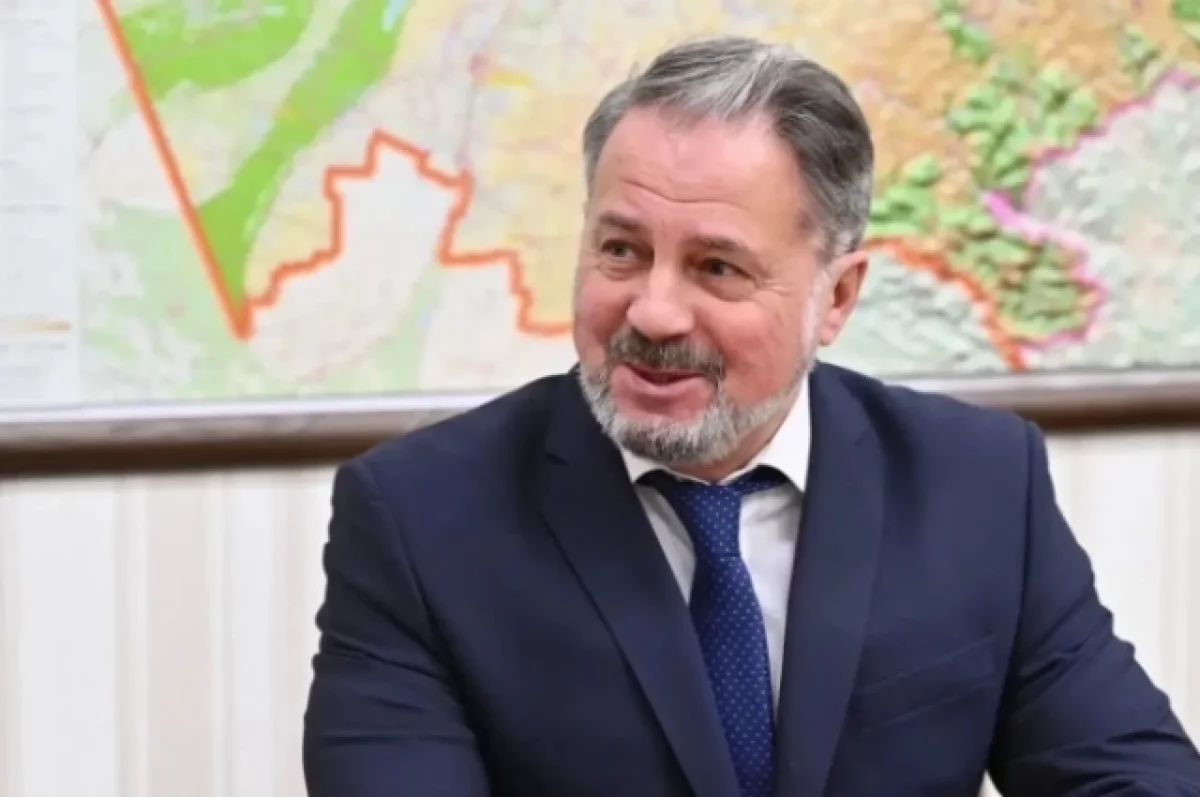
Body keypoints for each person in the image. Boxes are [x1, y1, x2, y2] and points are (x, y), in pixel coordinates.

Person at [302, 36, 1200, 797]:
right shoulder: (418, 520)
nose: (653, 312)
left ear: (836, 296)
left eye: (717, 268)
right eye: (621, 249)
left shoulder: (978, 485)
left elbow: (1134, 777)